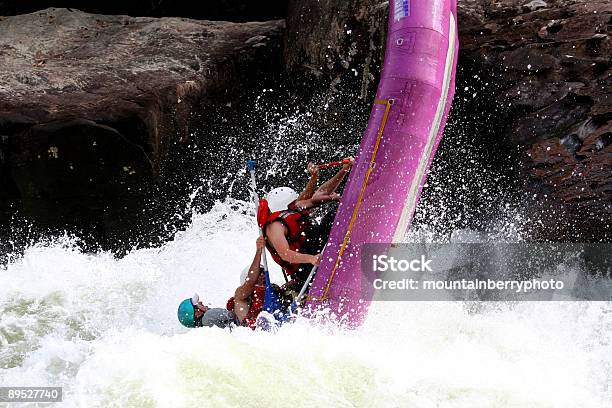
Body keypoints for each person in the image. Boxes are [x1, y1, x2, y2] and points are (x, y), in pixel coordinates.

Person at [260, 158, 354, 290]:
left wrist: (344, 170)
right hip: (304, 267)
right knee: (332, 217)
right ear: (284, 207)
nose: (298, 203)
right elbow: (285, 254)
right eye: (294, 202)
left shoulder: (292, 209)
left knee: (333, 215)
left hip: (313, 246)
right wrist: (311, 259)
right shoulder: (274, 227)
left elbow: (322, 193)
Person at [177, 236, 275, 330]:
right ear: (197, 314)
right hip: (253, 329)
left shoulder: (207, 324)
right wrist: (258, 251)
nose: (201, 302)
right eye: (197, 304)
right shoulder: (209, 316)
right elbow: (250, 283)